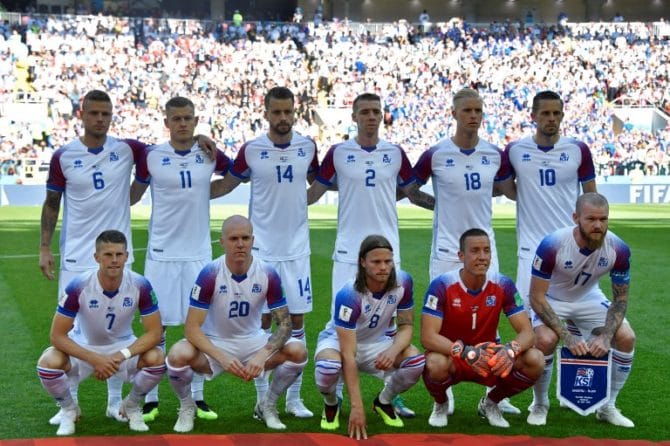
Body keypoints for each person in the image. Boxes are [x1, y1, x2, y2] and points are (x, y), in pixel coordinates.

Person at [38, 90, 216, 424]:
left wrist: (197, 137)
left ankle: (115, 401)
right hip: (76, 257)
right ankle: (70, 406)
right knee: (74, 332)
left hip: (120, 256)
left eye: (106, 113)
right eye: (94, 113)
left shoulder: (129, 150)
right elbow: (51, 202)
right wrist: (45, 248)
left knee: (118, 329)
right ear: (82, 114)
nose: (100, 119)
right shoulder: (63, 155)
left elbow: (171, 149)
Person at [307, 92, 433, 417]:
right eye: (364, 112)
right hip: (348, 252)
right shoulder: (338, 152)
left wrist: (444, 205)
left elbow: (411, 190)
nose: (371, 117)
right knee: (341, 321)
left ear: (382, 116)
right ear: (354, 116)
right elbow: (315, 191)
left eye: (376, 111)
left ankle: (391, 395)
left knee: (388, 322)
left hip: (387, 252)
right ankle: (333, 394)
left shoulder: (394, 153)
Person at [210, 86, 318, 418]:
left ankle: (292, 399)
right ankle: (262, 400)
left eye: (288, 111)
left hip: (296, 250)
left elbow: (323, 182)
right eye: (277, 112)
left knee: (296, 320)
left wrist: (302, 204)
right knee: (262, 320)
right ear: (266, 113)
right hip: (263, 250)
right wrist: (188, 194)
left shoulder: (308, 147)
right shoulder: (252, 150)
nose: (282, 117)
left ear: (295, 112)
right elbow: (228, 182)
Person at [413, 88, 518, 415]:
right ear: (454, 114)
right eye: (467, 110)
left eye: (478, 110)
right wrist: (438, 205)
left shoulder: (495, 155)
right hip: (446, 249)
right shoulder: (436, 154)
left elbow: (504, 187)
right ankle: (442, 398)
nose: (473, 116)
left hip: (485, 248)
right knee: (444, 322)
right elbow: (410, 189)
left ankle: (494, 390)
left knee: (492, 318)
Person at [129, 96, 231, 422]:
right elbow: (134, 193)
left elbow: (236, 174)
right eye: (176, 118)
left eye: (188, 118)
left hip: (199, 254)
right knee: (155, 329)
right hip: (161, 254)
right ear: (166, 122)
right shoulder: (151, 156)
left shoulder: (208, 154)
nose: (182, 123)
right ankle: (151, 397)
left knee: (197, 329)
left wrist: (210, 185)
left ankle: (197, 397)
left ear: (196, 120)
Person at [504, 90, 597, 423]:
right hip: (532, 253)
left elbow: (592, 199)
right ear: (533, 115)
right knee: (541, 334)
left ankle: (592, 397)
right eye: (545, 113)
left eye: (556, 113)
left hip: (572, 252)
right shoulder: (515, 150)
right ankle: (538, 402)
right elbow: (507, 188)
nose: (551, 119)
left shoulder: (578, 150)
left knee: (575, 324)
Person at [165, 215, 307, 433]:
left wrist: (262, 355)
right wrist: (223, 357)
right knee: (177, 354)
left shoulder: (267, 272)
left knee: (298, 350)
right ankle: (187, 406)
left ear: (253, 240)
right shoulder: (209, 273)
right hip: (215, 344)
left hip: (253, 342)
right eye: (233, 239)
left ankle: (267, 405)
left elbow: (285, 325)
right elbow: (191, 328)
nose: (240, 244)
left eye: (245, 238)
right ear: (222, 242)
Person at [36, 230, 165, 436]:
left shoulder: (140, 284)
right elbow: (57, 336)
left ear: (127, 256)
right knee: (48, 362)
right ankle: (69, 409)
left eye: (119, 255)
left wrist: (119, 355)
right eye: (107, 255)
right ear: (96, 257)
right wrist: (95, 359)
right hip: (85, 348)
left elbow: (154, 332)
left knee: (157, 357)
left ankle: (131, 405)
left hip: (122, 348)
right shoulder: (79, 285)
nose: (114, 260)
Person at [527, 193, 636, 427]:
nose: (598, 225)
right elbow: (535, 297)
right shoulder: (552, 244)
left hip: (589, 298)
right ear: (576, 218)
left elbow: (620, 300)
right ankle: (540, 404)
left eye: (603, 219)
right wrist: (566, 337)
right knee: (545, 339)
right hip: (552, 299)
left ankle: (608, 406)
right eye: (591, 219)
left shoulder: (618, 248)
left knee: (626, 337)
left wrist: (606, 337)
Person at [421, 228, 543, 428]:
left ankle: (491, 403)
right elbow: (428, 337)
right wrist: (467, 352)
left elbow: (527, 333)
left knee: (535, 359)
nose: (482, 257)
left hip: (489, 357)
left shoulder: (502, 284)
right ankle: (441, 404)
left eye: (486, 251)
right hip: (454, 356)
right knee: (434, 363)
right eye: (475, 251)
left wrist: (510, 350)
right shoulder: (442, 284)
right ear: (461, 256)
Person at [314, 235, 425, 439]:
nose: (383, 267)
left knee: (415, 360)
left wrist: (392, 351)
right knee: (327, 368)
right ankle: (332, 403)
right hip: (340, 343)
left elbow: (407, 326)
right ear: (362, 263)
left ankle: (383, 401)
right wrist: (357, 407)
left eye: (387, 261)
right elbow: (349, 354)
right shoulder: (349, 294)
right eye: (376, 262)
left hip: (377, 343)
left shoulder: (404, 282)